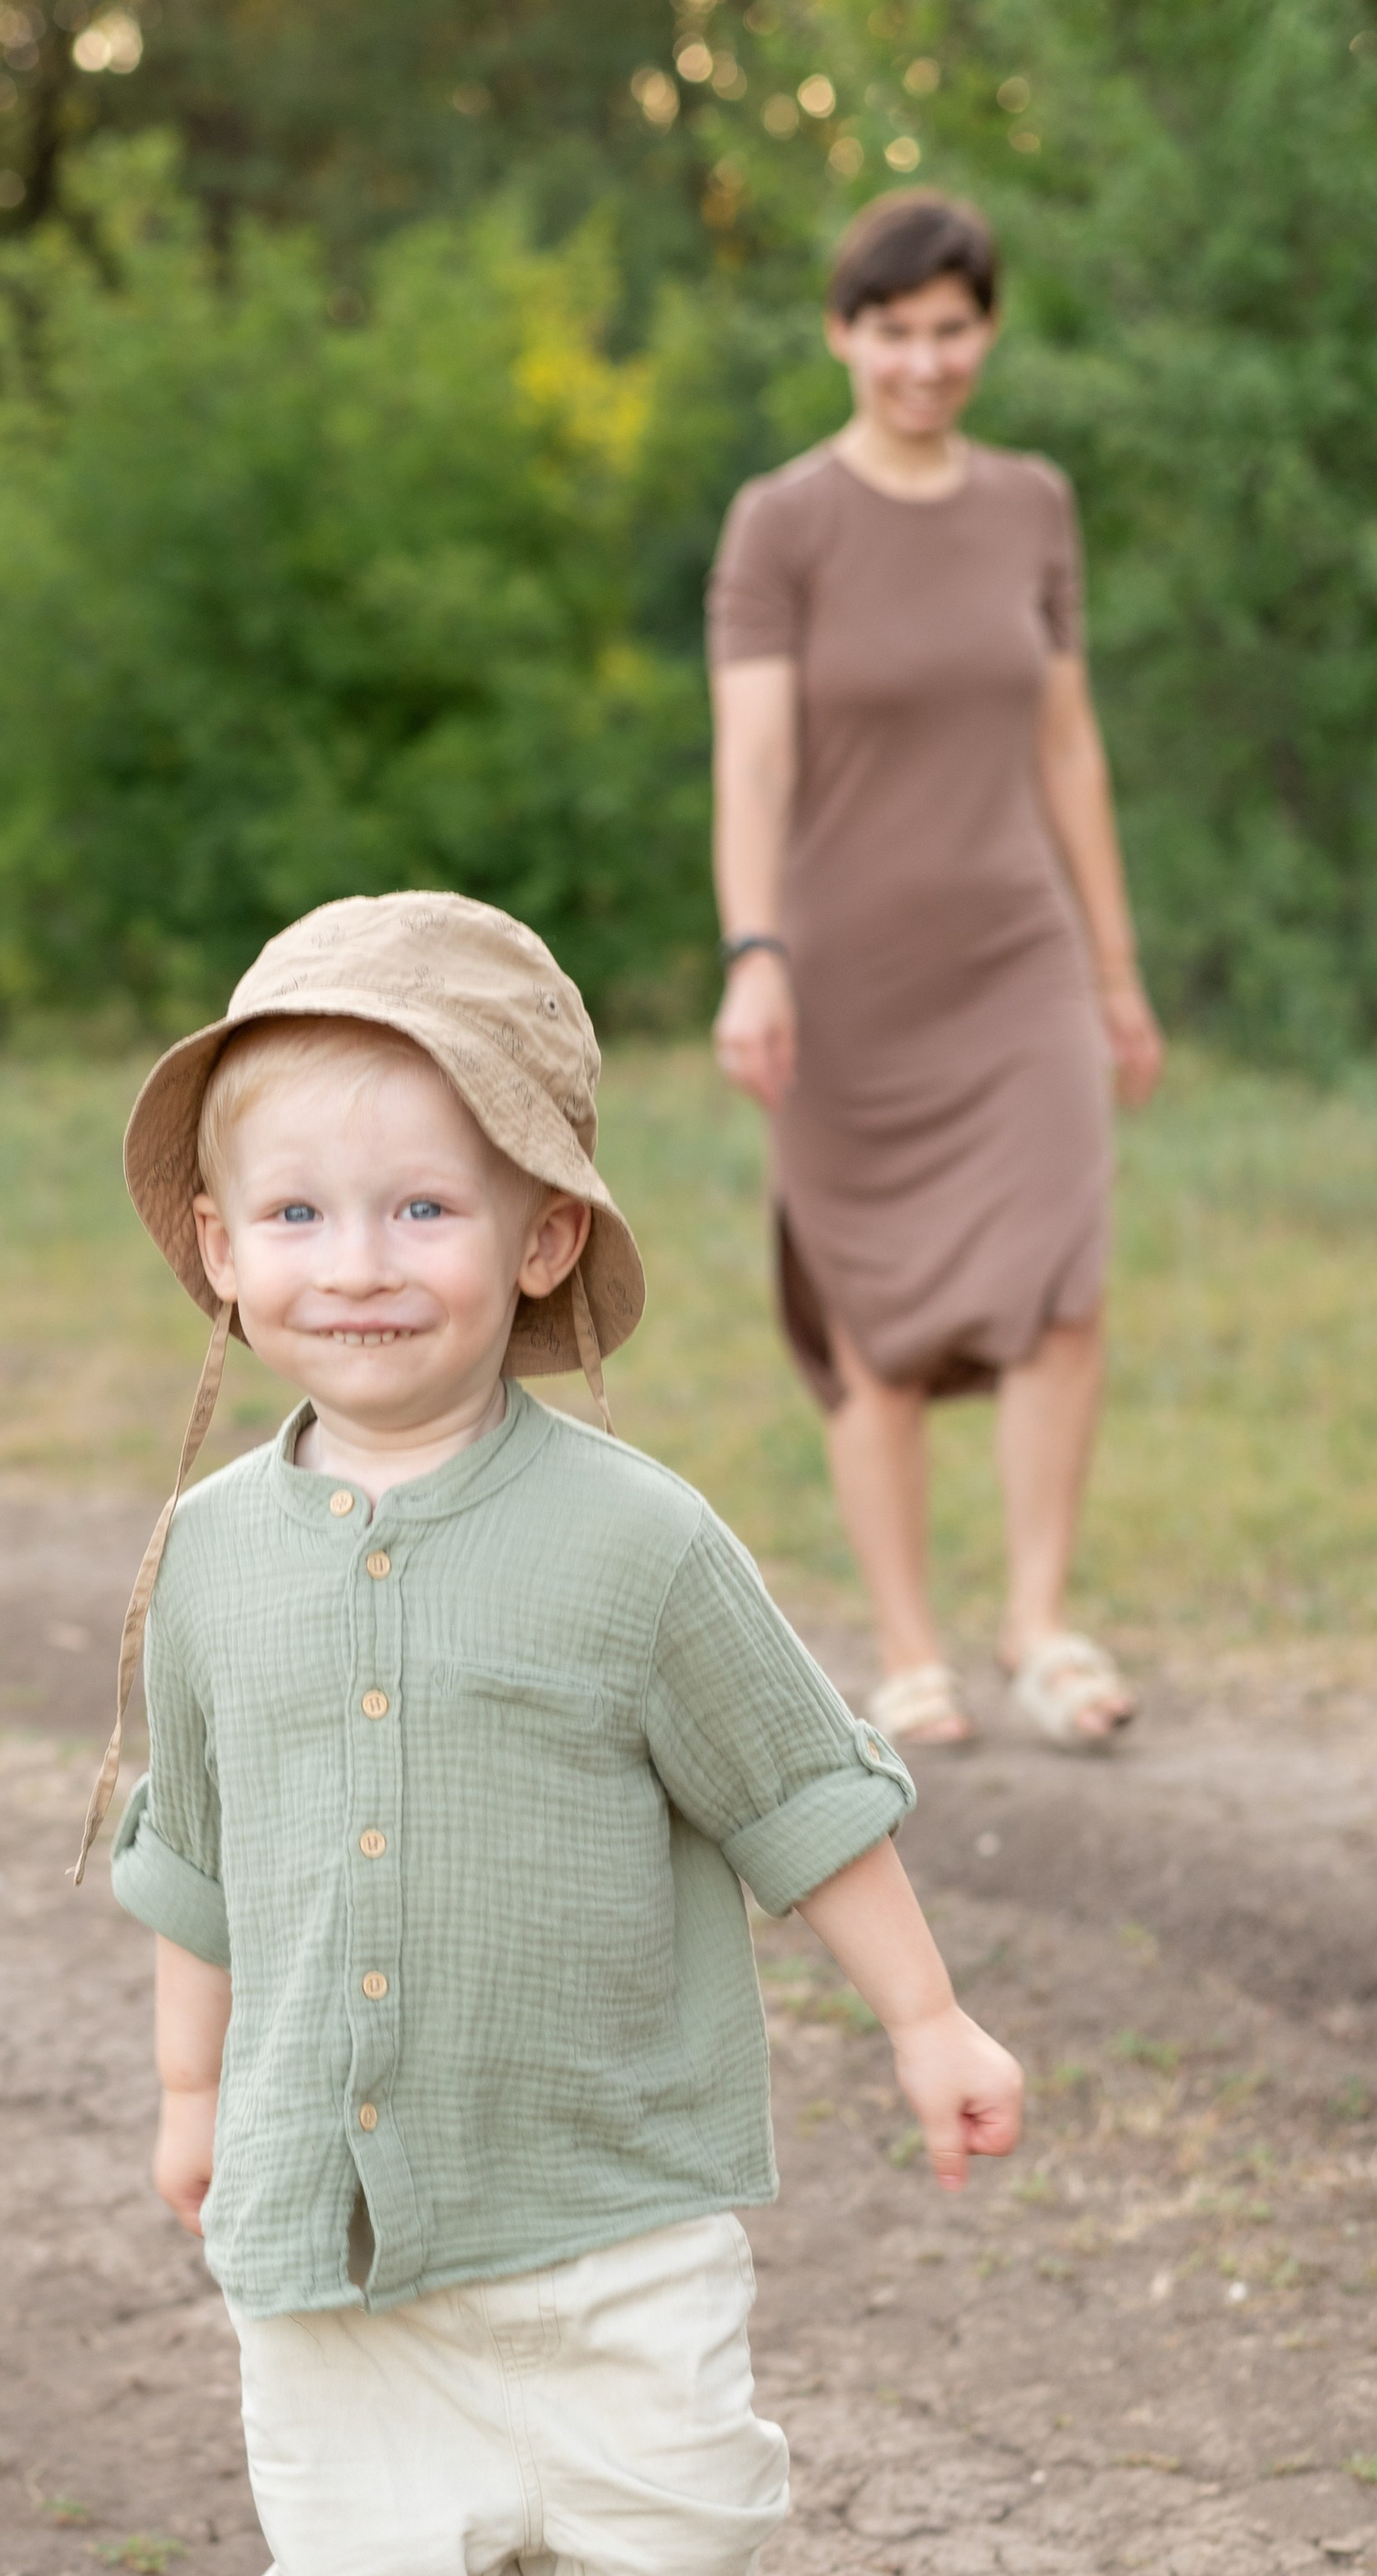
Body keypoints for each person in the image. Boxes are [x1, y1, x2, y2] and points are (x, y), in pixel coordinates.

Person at [79, 891, 1023, 2576]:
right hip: (324, 2216)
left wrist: (923, 2015)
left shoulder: (635, 1539)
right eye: (296, 1208)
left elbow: (798, 1793)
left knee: (672, 2529)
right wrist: (187, 2090)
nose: (359, 1255)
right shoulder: (207, 1556)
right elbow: (189, 1852)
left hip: (609, 2194)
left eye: (422, 1201)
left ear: (534, 1234)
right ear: (218, 1249)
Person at [708, 192, 1163, 1755]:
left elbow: (1066, 744)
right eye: (892, 330)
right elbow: (753, 763)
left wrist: (1116, 972)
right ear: (842, 332)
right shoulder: (784, 520)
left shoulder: (1034, 504)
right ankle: (909, 1648)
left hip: (1017, 958)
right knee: (873, 1324)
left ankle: (1038, 1625)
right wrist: (753, 953)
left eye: (951, 329)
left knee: (1065, 1289)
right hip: (841, 978)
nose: (923, 360)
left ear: (988, 330)